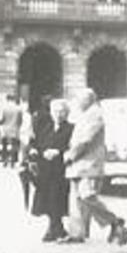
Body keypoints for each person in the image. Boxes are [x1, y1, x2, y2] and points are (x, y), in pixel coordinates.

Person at [64, 88, 127, 245]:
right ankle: (77, 233)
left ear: (88, 100)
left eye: (79, 100)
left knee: (87, 196)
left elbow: (85, 140)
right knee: (77, 200)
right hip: (81, 165)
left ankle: (115, 221)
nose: (77, 103)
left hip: (89, 164)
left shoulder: (94, 115)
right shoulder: (87, 114)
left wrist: (70, 155)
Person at [29, 99, 72, 241]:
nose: (58, 115)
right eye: (56, 112)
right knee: (46, 200)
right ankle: (57, 228)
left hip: (60, 170)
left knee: (56, 199)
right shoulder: (46, 127)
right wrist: (36, 151)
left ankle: (54, 229)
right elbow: (36, 142)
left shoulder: (71, 128)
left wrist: (58, 152)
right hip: (45, 169)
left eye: (62, 112)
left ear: (67, 113)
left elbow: (72, 147)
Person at [0, 94, 23, 167]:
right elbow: (20, 120)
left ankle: (5, 160)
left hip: (5, 129)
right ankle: (13, 161)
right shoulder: (18, 108)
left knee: (4, 145)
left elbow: (0, 119)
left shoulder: (4, 108)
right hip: (15, 128)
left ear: (7, 99)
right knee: (14, 145)